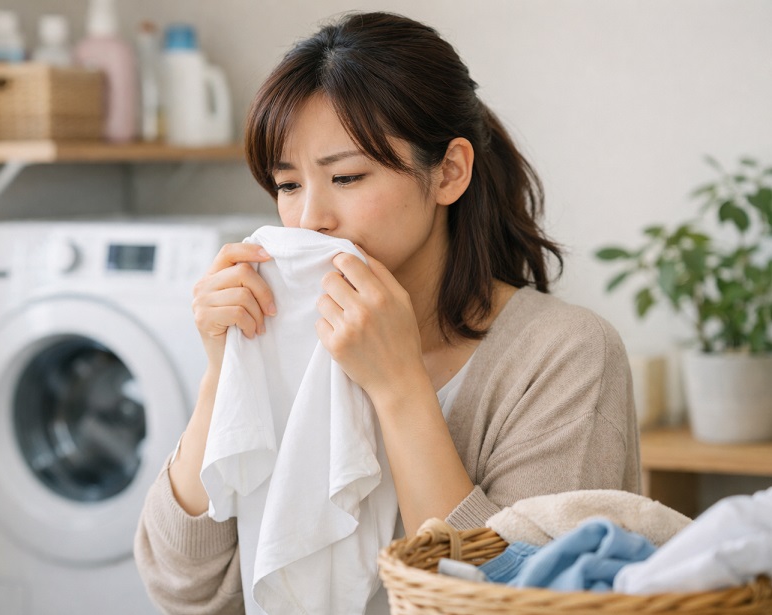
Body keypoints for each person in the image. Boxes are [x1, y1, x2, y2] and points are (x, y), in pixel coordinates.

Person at [134, 11, 640, 615]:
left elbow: (527, 602)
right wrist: (224, 374)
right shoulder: (289, 340)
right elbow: (182, 591)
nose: (309, 219)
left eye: (346, 176)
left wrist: (398, 385)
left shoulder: (565, 355)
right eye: (288, 185)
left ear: (449, 171)